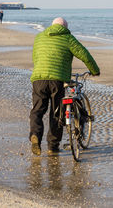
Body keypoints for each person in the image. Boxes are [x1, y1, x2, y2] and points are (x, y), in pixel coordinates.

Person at [29, 17, 100, 155]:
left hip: (38, 79)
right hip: (57, 80)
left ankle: (35, 136)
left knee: (37, 110)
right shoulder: (68, 38)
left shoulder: (39, 37)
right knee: (57, 113)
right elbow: (84, 54)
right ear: (65, 27)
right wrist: (95, 70)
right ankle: (52, 147)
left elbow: (35, 57)